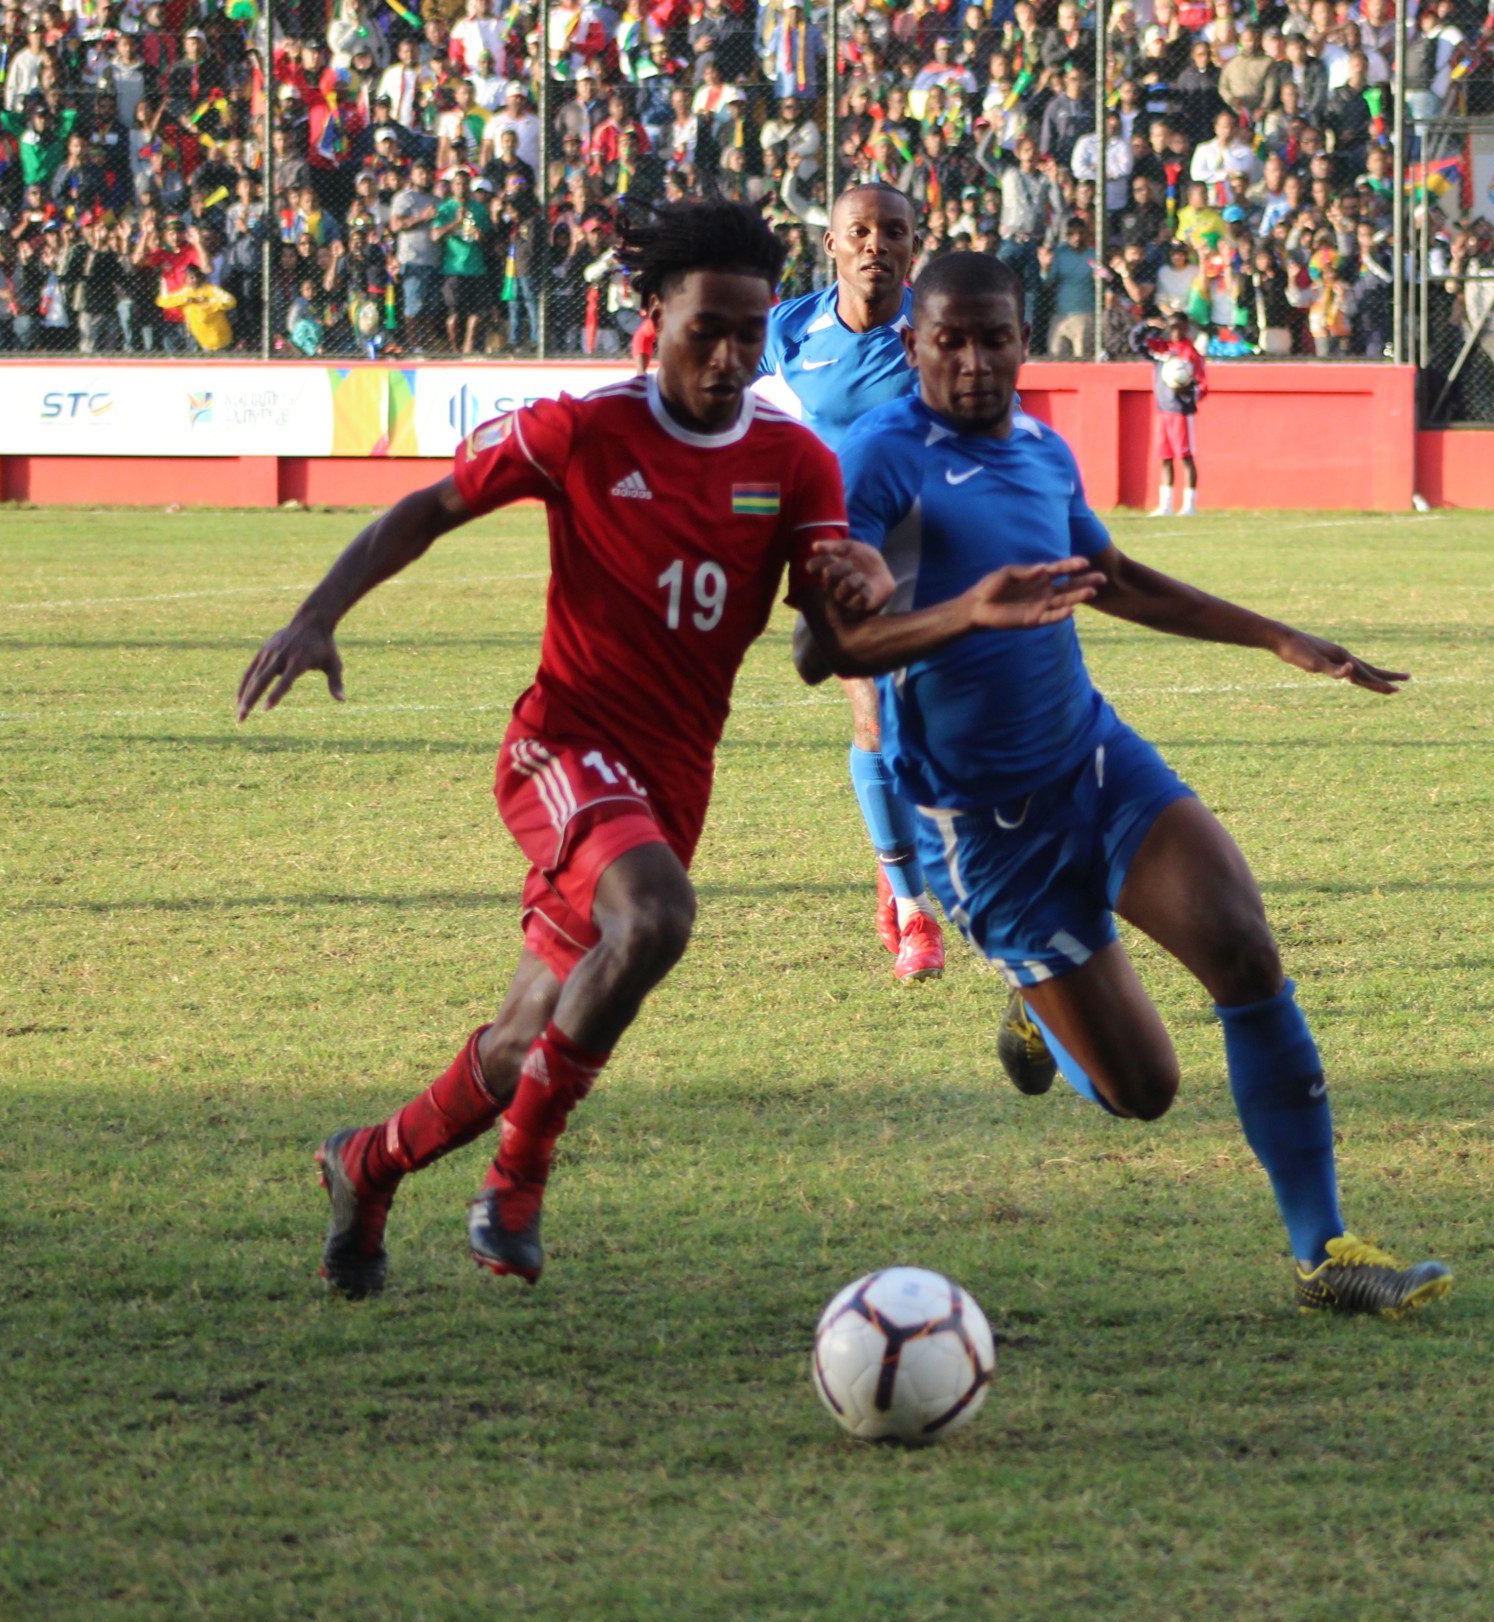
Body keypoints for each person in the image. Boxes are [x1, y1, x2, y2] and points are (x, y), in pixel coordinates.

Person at [236, 201, 1093, 1299]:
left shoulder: (792, 465)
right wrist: (319, 614)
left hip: (671, 785)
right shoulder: (581, 429)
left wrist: (910, 598)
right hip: (564, 748)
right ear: (653, 318)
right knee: (657, 916)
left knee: (518, 1045)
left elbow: (832, 646)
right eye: (707, 331)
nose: (731, 356)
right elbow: (429, 507)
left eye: (747, 332)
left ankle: (369, 1163)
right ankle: (518, 1181)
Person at [810, 250, 1455, 1317]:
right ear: (913, 345)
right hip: (985, 827)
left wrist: (1275, 637)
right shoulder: (876, 462)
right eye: (949, 341)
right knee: (1142, 1094)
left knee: (1244, 950)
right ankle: (1037, 1005)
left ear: (1027, 341)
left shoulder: (1040, 452)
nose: (974, 362)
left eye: (995, 339)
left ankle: (1323, 1250)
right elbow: (838, 640)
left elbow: (1115, 580)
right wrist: (956, 614)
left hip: (1095, 762)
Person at [757, 182, 948, 983]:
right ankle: (914, 912)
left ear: (913, 248)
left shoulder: (936, 331)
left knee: (929, 734)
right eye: (860, 232)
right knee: (873, 714)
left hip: (937, 548)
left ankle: (893, 855)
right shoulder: (788, 328)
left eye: (893, 232)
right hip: (839, 551)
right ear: (831, 245)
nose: (876, 245)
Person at [1142, 310, 1208, 516]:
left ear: (1186, 328)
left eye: (1179, 327)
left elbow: (1203, 386)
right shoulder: (1163, 349)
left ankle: (1189, 504)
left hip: (1180, 412)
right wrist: (1149, 326)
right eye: (1171, 328)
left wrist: (1186, 394)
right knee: (1165, 457)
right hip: (1163, 410)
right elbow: (1136, 342)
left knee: (1185, 456)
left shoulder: (1191, 353)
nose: (1175, 332)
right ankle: (1166, 505)